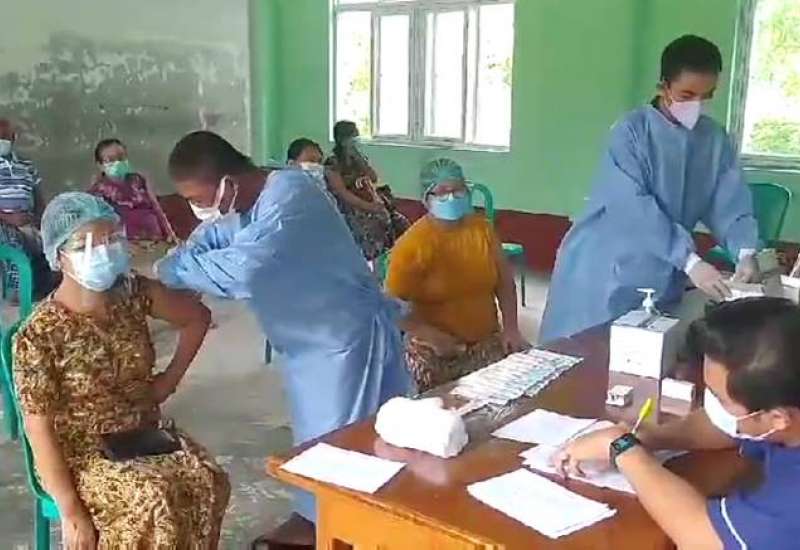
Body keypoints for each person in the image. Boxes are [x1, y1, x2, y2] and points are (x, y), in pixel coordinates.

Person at [154, 131, 411, 546]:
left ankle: (339, 531)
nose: (198, 209)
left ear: (229, 182)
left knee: (341, 446)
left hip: (341, 340)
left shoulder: (291, 196)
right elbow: (214, 237)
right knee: (315, 441)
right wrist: (182, 256)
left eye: (199, 199)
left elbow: (244, 269)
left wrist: (173, 271)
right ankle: (317, 520)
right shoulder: (248, 205)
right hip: (306, 344)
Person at [13, 192, 230, 549]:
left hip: (140, 431)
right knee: (151, 498)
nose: (103, 251)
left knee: (207, 479)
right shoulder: (39, 335)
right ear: (59, 255)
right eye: (86, 245)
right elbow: (39, 429)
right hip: (80, 449)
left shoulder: (131, 292)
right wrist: (71, 511)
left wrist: (168, 381)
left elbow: (197, 317)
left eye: (111, 238)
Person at [539, 35, 759, 343]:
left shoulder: (713, 140)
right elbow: (632, 207)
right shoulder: (631, 132)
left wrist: (746, 252)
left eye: (706, 96)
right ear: (663, 86)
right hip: (605, 268)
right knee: (584, 352)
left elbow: (729, 201)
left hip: (664, 270)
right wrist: (690, 261)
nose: (696, 105)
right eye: (687, 94)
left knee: (647, 350)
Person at [552, 297, 800, 549]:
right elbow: (723, 427)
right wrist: (647, 437)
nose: (710, 405)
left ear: (777, 419)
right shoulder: (785, 405)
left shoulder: (792, 500)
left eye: (720, 399)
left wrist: (623, 449)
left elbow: (704, 540)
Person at [386, 159, 528, 393]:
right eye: (441, 192)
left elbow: (504, 282)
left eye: (458, 190)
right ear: (426, 198)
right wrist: (429, 335)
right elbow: (389, 307)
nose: (451, 197)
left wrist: (511, 328)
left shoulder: (482, 230)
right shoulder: (412, 245)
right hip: (434, 350)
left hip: (486, 342)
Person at [325, 120, 410, 262]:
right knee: (375, 226)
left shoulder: (357, 159)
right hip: (349, 206)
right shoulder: (332, 163)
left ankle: (394, 258)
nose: (357, 141)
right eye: (354, 137)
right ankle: (373, 261)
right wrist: (369, 207)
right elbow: (342, 193)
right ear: (343, 140)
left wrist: (358, 158)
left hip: (367, 198)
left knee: (400, 222)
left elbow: (373, 178)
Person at [0, 117, 57, 299]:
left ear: (13, 138)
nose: (2, 140)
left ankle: (44, 287)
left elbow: (37, 195)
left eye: (5, 136)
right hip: (3, 223)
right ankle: (18, 291)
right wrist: (8, 218)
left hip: (27, 221)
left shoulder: (26, 165)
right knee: (14, 244)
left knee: (50, 242)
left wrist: (42, 220)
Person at [89, 138, 176, 244]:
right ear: (100, 165)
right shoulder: (97, 191)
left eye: (121, 157)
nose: (117, 162)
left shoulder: (140, 180)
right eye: (110, 160)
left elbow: (157, 208)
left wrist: (170, 233)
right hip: (126, 244)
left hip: (155, 239)